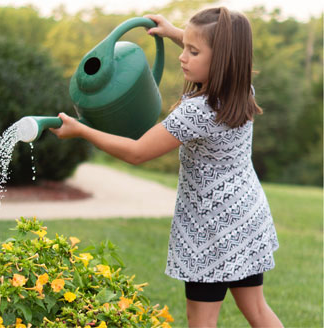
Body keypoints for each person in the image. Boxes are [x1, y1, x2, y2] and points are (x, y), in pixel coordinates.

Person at [50, 7, 283, 328]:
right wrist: (175, 33)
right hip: (245, 219)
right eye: (184, 47)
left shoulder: (198, 112)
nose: (182, 57)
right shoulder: (240, 92)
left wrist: (81, 130)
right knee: (257, 310)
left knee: (201, 320)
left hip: (211, 230)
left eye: (193, 50)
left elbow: (136, 152)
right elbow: (217, 56)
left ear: (221, 59)